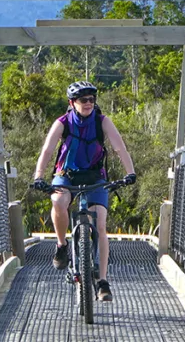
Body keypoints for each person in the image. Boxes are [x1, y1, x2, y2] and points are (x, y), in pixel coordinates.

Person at [32, 80, 136, 302]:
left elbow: (119, 147)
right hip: (67, 174)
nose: (88, 103)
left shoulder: (102, 122)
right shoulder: (62, 123)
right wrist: (38, 176)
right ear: (72, 102)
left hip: (95, 176)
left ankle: (103, 281)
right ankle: (62, 245)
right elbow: (48, 149)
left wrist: (130, 173)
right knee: (59, 201)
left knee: (100, 224)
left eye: (91, 99)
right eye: (83, 100)